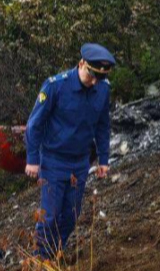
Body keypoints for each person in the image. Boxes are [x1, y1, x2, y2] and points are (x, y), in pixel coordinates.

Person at [25, 43, 115, 259]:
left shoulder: (102, 89)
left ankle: (55, 252)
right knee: (50, 215)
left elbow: (103, 125)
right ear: (81, 63)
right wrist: (32, 158)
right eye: (91, 75)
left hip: (80, 162)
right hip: (54, 161)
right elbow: (34, 124)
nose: (93, 81)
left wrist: (103, 159)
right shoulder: (55, 86)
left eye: (99, 78)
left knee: (71, 215)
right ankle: (41, 261)